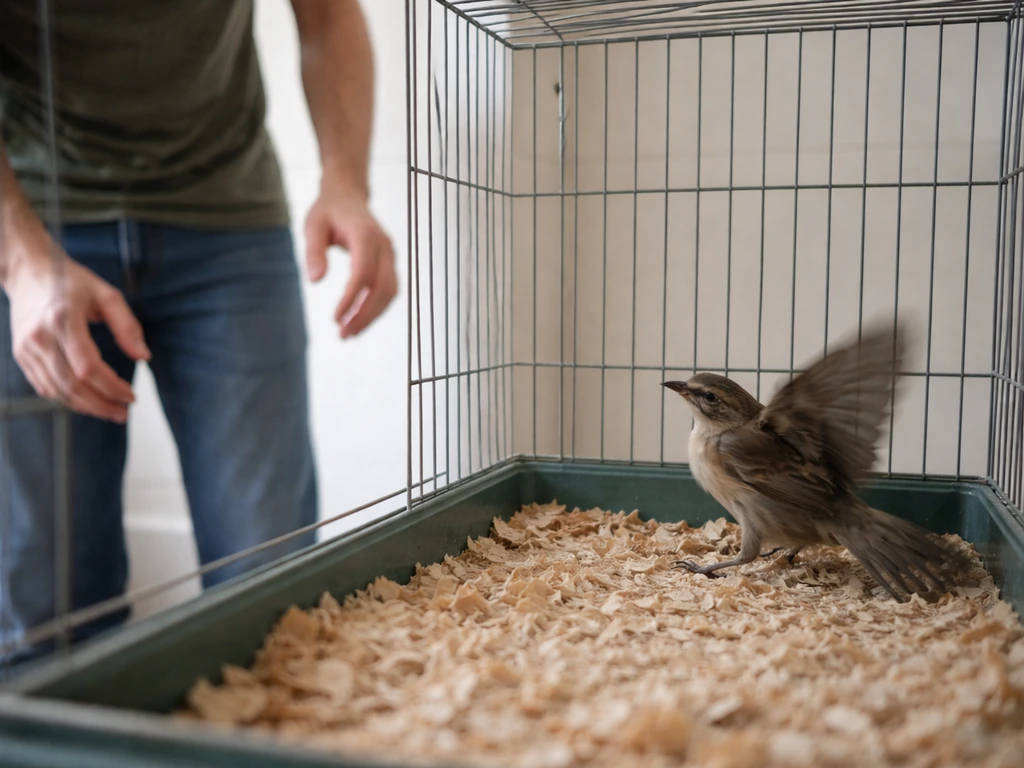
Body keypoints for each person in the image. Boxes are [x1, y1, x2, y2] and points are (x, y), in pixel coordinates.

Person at [0, 0, 396, 667]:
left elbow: (327, 16)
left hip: (229, 218)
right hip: (38, 220)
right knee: (45, 610)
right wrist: (21, 261)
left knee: (272, 590)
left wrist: (346, 184)